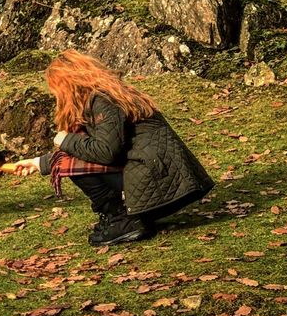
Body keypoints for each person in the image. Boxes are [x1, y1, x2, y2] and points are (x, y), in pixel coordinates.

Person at [11, 50, 214, 246]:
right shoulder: (104, 97)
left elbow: (106, 152)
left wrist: (65, 140)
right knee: (75, 156)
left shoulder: (102, 101)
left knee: (75, 165)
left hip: (161, 177)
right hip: (162, 175)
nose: (57, 97)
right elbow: (87, 147)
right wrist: (38, 163)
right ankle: (128, 217)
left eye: (57, 90)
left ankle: (121, 219)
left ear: (69, 83)